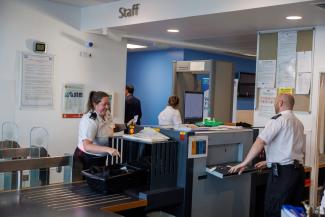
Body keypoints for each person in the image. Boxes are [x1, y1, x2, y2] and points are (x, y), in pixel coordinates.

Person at [229, 93, 305, 217]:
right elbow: (289, 149)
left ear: (280, 103)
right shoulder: (298, 123)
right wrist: (268, 161)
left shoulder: (278, 119)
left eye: (275, 101)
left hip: (282, 174)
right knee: (292, 213)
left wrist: (245, 162)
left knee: (274, 211)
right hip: (298, 173)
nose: (275, 104)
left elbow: (260, 142)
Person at [73, 91, 120, 181]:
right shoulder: (90, 121)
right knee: (85, 189)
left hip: (100, 158)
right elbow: (87, 146)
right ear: (95, 104)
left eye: (108, 104)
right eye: (104, 104)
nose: (107, 107)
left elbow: (110, 128)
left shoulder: (107, 114)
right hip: (86, 159)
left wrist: (125, 126)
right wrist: (108, 149)